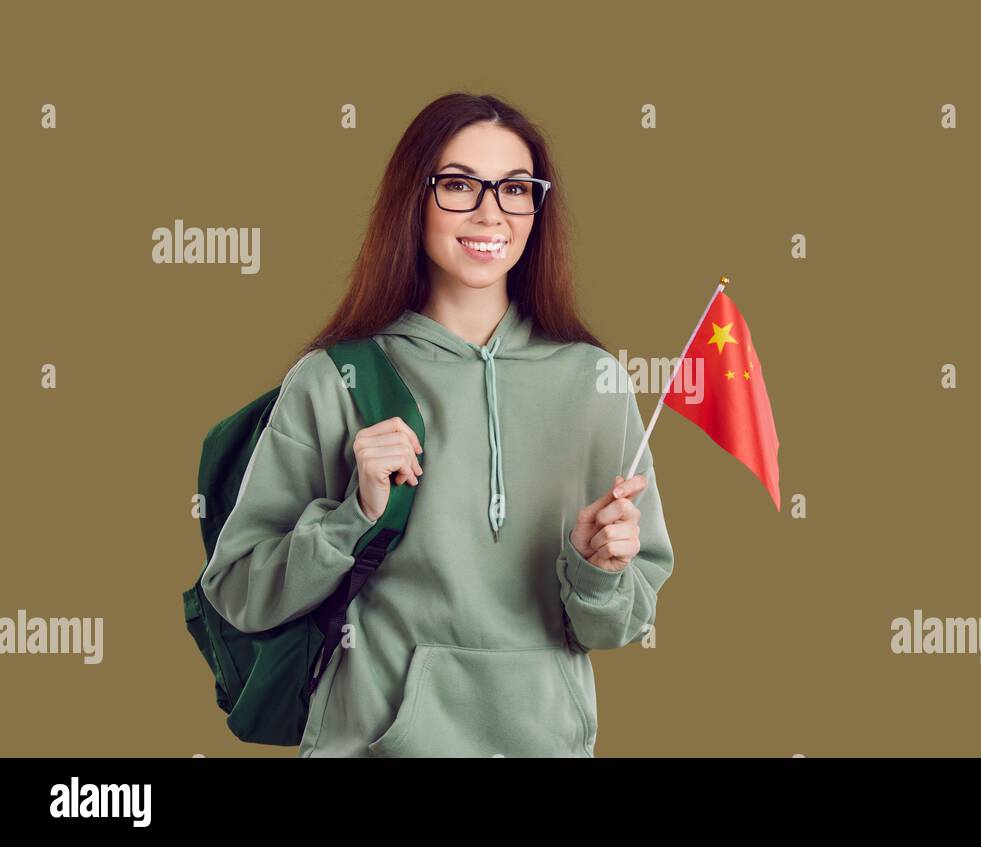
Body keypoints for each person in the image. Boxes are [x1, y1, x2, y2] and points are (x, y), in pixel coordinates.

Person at [200, 92, 674, 757]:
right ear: (412, 198)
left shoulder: (594, 382)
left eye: (515, 188)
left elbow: (617, 625)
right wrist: (352, 515)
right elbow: (239, 591)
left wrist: (598, 572)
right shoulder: (338, 376)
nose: (490, 212)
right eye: (459, 185)